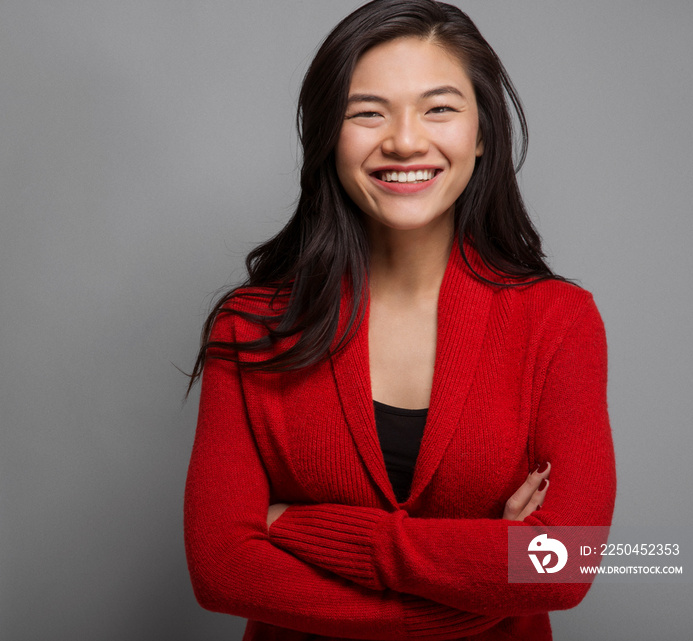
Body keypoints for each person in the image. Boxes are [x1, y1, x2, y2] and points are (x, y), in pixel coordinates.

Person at [184, 1, 616, 639]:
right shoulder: (249, 326)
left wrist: (304, 530)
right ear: (329, 135)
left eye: (439, 108)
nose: (406, 140)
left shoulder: (558, 320)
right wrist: (482, 570)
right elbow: (221, 570)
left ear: (482, 134)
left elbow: (565, 563)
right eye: (367, 112)